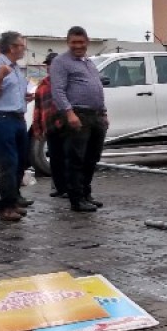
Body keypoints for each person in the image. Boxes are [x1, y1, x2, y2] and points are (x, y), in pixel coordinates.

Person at [50, 26, 109, 212]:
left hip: (96, 115)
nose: (78, 46)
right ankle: (76, 199)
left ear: (87, 42)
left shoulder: (88, 62)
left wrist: (104, 113)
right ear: (68, 43)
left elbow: (97, 88)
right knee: (76, 158)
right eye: (74, 42)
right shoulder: (61, 62)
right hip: (77, 115)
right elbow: (58, 90)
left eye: (81, 42)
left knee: (92, 157)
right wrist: (69, 113)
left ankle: (85, 193)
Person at [0, 31, 33, 221]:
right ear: (12, 47)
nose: (24, 49)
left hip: (18, 118)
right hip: (1, 119)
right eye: (21, 45)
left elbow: (10, 94)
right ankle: (5, 208)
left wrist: (25, 98)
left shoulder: (17, 69)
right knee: (8, 163)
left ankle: (13, 201)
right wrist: (0, 77)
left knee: (20, 161)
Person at [32, 52, 67, 197]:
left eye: (52, 64)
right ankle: (59, 188)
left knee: (68, 158)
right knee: (55, 159)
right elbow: (38, 108)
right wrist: (37, 128)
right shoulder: (43, 85)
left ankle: (70, 188)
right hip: (50, 128)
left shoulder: (66, 82)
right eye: (48, 65)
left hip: (66, 126)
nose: (49, 67)